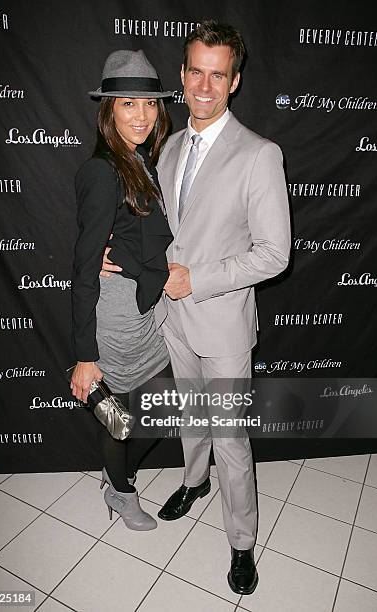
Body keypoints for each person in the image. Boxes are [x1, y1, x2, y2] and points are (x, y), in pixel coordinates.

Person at [102, 20, 291, 594]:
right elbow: (161, 233)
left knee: (231, 437)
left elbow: (275, 254)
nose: (205, 86)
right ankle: (193, 479)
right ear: (182, 76)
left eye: (219, 75)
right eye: (195, 72)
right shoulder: (169, 145)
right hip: (173, 321)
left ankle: (241, 542)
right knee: (190, 416)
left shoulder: (260, 154)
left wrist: (198, 280)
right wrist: (123, 259)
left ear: (234, 82)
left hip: (223, 322)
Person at [70, 49, 174, 531]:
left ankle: (117, 476)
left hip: (149, 309)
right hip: (115, 317)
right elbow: (83, 268)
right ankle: (121, 490)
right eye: (128, 104)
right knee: (122, 419)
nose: (141, 115)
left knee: (164, 411)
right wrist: (85, 355)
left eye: (149, 104)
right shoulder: (102, 170)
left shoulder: (142, 161)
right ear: (108, 110)